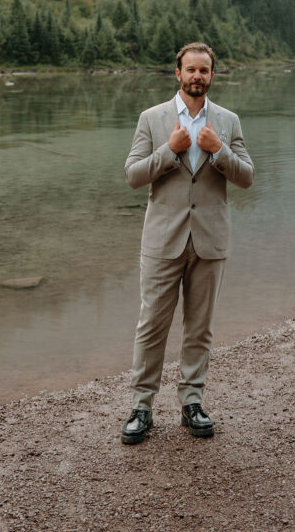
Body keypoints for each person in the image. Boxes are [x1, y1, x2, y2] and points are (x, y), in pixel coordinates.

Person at [121, 41, 255, 444]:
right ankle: (142, 406)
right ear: (177, 74)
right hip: (163, 239)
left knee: (199, 328)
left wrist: (219, 153)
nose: (197, 76)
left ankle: (192, 403)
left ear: (212, 76)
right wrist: (168, 150)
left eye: (204, 70)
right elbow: (133, 175)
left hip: (210, 239)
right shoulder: (152, 118)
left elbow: (247, 176)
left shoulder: (228, 121)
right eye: (190, 69)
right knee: (151, 326)